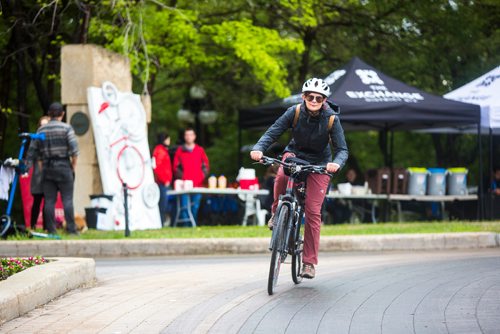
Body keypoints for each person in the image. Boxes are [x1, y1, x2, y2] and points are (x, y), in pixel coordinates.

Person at [250, 77, 348, 279]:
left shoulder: (331, 119)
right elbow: (272, 132)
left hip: (320, 163)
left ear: (324, 100)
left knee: (312, 211)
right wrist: (259, 148)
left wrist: (336, 164)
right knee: (280, 176)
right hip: (295, 154)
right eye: (310, 96)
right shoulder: (294, 112)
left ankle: (309, 263)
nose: (314, 100)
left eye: (319, 98)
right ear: (303, 97)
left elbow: (342, 150)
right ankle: (277, 213)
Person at [29, 102, 79, 235]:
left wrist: (42, 167)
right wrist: (72, 167)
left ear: (49, 115)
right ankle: (71, 230)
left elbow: (35, 152)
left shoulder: (41, 130)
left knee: (49, 201)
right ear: (62, 114)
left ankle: (51, 230)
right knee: (67, 200)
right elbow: (74, 150)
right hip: (64, 167)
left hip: (47, 168)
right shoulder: (66, 128)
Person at [173, 128, 210, 225]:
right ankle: (186, 227)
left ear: (194, 137)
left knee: (195, 207)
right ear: (185, 137)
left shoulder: (200, 150)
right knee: (185, 207)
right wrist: (183, 178)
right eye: (187, 135)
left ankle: (192, 225)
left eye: (191, 135)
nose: (189, 137)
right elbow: (176, 167)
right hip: (184, 186)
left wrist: (201, 177)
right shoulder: (180, 151)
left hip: (198, 184)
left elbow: (206, 166)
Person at [25, 115, 51, 230]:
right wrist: (26, 168)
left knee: (48, 202)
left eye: (46, 124)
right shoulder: (36, 138)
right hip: (38, 174)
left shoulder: (53, 137)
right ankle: (33, 226)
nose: (44, 127)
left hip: (51, 172)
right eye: (42, 125)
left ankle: (47, 227)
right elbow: (30, 153)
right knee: (37, 200)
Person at [152, 132, 173, 226]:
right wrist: (165, 180)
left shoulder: (162, 150)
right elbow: (158, 168)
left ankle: (161, 222)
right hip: (162, 183)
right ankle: (160, 223)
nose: (169, 141)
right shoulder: (160, 151)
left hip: (163, 182)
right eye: (168, 139)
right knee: (162, 205)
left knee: (163, 204)